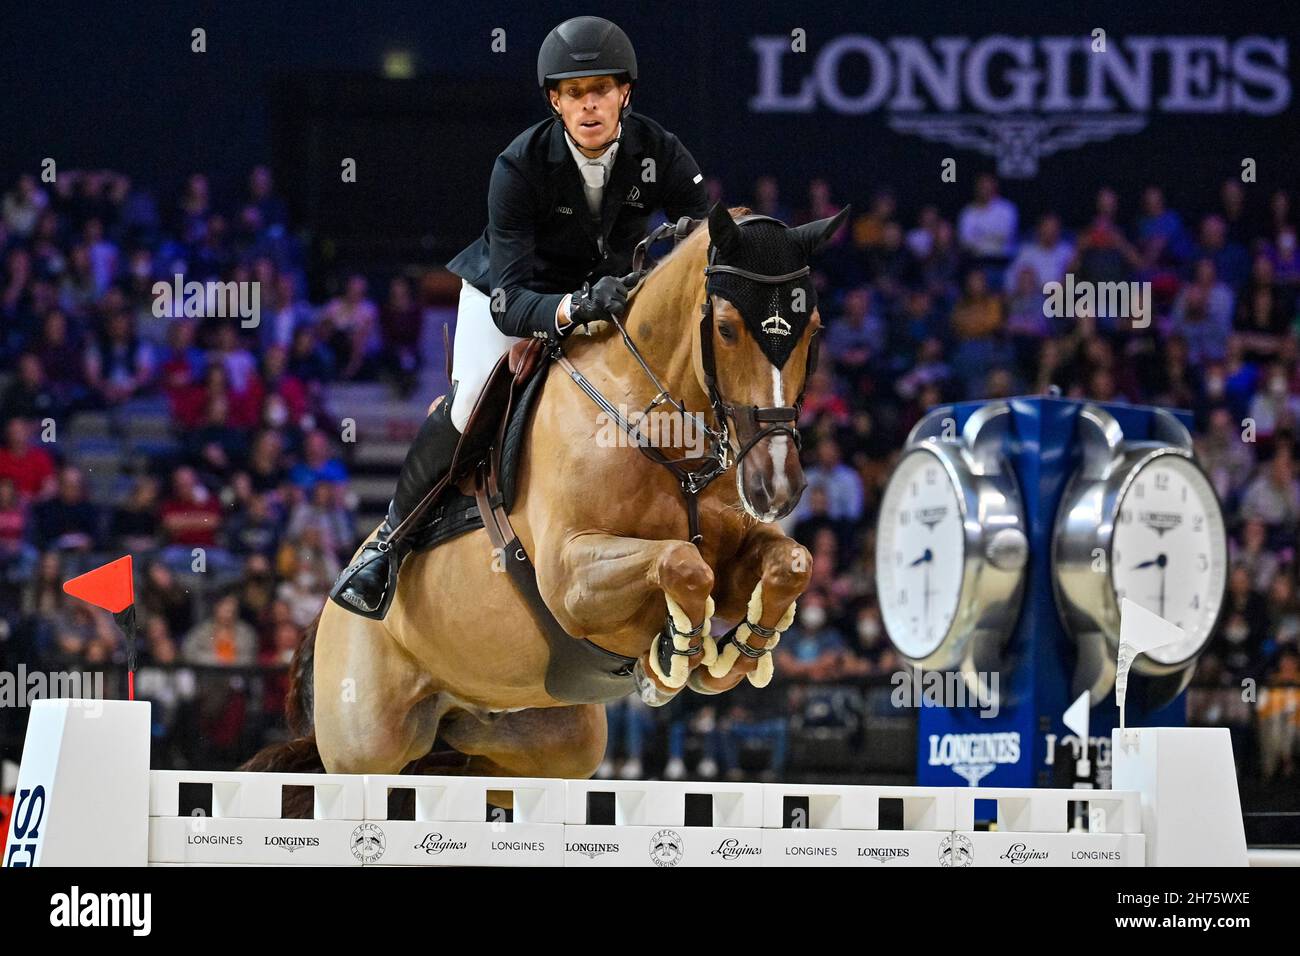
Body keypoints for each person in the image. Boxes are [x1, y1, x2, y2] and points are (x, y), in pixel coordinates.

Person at [331, 16, 709, 618]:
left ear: (624, 95)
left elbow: (707, 241)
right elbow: (509, 302)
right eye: (575, 93)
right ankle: (386, 547)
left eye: (602, 90)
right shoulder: (519, 166)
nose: (590, 106)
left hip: (610, 296)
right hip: (510, 298)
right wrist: (575, 308)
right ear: (556, 101)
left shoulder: (658, 150)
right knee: (467, 404)